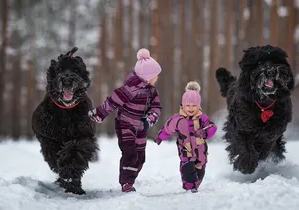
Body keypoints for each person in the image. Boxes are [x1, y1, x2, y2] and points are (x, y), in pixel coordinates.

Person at [88, 48, 162, 192]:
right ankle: (126, 183)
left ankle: (131, 178)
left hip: (141, 127)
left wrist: (150, 119)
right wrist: (99, 113)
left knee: (140, 157)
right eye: (155, 76)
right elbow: (112, 101)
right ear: (147, 77)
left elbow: (157, 107)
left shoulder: (152, 91)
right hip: (125, 125)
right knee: (130, 153)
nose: (157, 78)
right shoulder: (130, 89)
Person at [153, 81, 217, 193]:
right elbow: (168, 128)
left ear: (198, 106)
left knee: (200, 172)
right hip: (185, 150)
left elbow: (212, 127)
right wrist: (161, 137)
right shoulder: (178, 119)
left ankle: (195, 185)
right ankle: (189, 186)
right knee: (187, 169)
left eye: (194, 106)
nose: (191, 108)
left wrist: (204, 133)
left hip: (200, 152)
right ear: (183, 105)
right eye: (188, 105)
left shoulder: (202, 118)